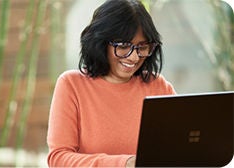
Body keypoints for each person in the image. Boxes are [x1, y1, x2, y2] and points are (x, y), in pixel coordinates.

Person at [47, 0, 176, 167]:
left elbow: (178, 147)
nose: (134, 57)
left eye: (142, 47)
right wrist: (124, 163)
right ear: (100, 43)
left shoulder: (158, 86)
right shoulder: (71, 85)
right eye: (123, 46)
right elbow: (58, 158)